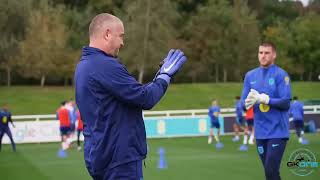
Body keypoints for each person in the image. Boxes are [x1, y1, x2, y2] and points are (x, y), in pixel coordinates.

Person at [74, 13, 187, 180]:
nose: (122, 43)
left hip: (100, 155)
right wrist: (165, 76)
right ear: (107, 34)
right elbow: (146, 98)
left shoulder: (84, 65)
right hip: (118, 159)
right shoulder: (104, 65)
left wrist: (159, 76)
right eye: (120, 36)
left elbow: (132, 94)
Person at [241, 42, 291, 180]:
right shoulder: (250, 76)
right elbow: (243, 103)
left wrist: (265, 99)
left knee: (271, 171)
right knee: (271, 174)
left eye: (267, 53)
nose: (263, 56)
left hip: (277, 132)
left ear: (274, 55)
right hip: (260, 133)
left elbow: (286, 102)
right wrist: (246, 104)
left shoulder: (281, 75)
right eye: (260, 52)